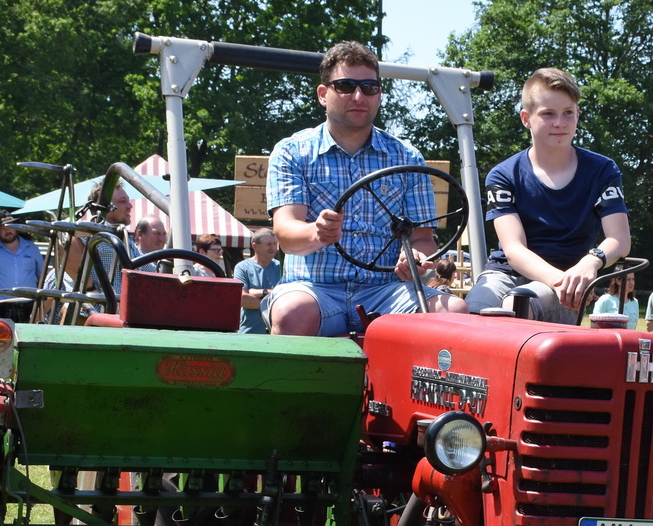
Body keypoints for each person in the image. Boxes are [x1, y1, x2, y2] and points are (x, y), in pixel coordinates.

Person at [266, 40, 464, 335]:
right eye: (345, 86)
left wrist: (417, 260)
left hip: (386, 291)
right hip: (313, 289)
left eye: (369, 87)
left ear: (379, 95)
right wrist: (316, 233)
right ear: (323, 94)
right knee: (292, 312)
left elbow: (423, 240)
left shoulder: (408, 158)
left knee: (455, 312)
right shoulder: (292, 152)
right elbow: (286, 236)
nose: (358, 96)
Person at [466, 69, 631, 322]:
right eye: (548, 114)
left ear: (578, 114)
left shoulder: (602, 170)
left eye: (568, 113)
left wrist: (591, 262)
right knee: (470, 312)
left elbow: (620, 240)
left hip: (569, 277)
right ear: (526, 118)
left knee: (518, 303)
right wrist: (559, 281)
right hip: (510, 274)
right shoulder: (503, 175)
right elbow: (514, 250)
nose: (560, 123)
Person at [0, 211, 42, 323]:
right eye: (2, 227)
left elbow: (42, 277)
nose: (7, 230)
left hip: (29, 305)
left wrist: (43, 303)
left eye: (10, 226)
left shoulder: (32, 248)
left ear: (16, 227)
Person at [233, 231, 282, 333]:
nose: (273, 248)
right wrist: (273, 300)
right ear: (255, 246)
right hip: (249, 333)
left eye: (274, 244)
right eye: (269, 244)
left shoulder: (281, 268)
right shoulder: (242, 267)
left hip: (276, 334)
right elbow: (242, 299)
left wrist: (258, 292)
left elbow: (286, 297)